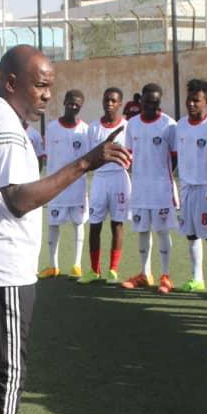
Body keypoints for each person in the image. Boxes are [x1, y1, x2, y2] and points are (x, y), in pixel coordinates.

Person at [0, 45, 129, 414]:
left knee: (1, 364)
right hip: (0, 264)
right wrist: (87, 162)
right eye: (40, 85)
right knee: (8, 370)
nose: (48, 94)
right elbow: (18, 199)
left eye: (51, 85)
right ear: (12, 82)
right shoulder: (4, 125)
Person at [121, 83, 178, 294]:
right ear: (141, 101)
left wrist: (161, 175)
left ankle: (166, 275)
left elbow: (175, 157)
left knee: (162, 230)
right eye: (147, 102)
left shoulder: (169, 125)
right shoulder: (132, 124)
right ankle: (145, 274)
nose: (150, 106)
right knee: (142, 230)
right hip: (139, 189)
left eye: (155, 102)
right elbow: (129, 153)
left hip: (161, 190)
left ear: (159, 102)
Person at [174, 78, 207, 297]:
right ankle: (197, 278)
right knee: (191, 234)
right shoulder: (180, 125)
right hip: (187, 186)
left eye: (196, 100)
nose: (191, 104)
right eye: (189, 100)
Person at [79, 86, 130, 285]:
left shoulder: (127, 127)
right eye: (106, 99)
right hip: (99, 179)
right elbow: (88, 156)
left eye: (113, 100)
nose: (109, 103)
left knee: (117, 223)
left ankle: (113, 270)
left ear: (120, 103)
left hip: (119, 178)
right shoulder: (93, 128)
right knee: (94, 224)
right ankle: (94, 270)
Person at [39, 89, 89, 279]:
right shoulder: (52, 128)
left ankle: (77, 265)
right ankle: (53, 265)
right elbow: (47, 155)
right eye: (70, 102)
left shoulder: (85, 130)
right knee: (53, 224)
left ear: (81, 106)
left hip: (77, 186)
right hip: (56, 186)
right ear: (64, 102)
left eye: (77, 104)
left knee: (78, 223)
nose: (73, 106)